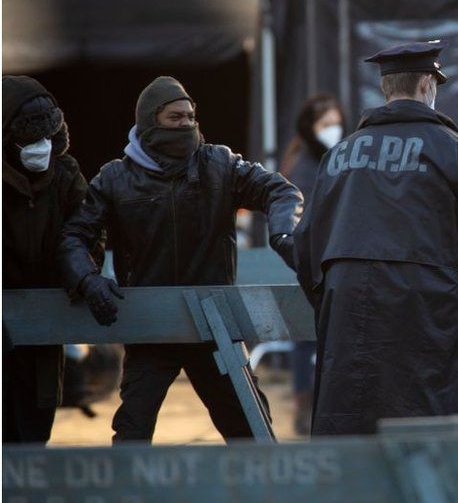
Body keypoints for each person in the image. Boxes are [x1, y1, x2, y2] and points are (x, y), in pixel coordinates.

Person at [294, 41, 458, 435]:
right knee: (427, 424)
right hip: (425, 306)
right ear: (429, 84)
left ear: (386, 88)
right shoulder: (456, 150)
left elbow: (307, 242)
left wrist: (331, 298)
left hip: (348, 305)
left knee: (349, 419)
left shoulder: (339, 155)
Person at [59, 76, 303, 442]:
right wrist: (87, 279)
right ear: (150, 121)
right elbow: (74, 236)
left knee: (251, 431)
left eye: (191, 116)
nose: (187, 124)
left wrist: (283, 232)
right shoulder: (115, 179)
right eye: (176, 117)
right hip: (150, 328)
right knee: (132, 435)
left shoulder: (219, 164)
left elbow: (278, 189)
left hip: (215, 328)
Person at [3, 76, 102, 444]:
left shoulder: (65, 174)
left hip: (45, 320)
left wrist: (83, 276)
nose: (40, 147)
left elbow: (86, 229)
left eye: (46, 135)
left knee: (33, 425)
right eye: (29, 138)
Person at [279, 93, 346, 435]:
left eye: (336, 123)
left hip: (326, 259)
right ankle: (305, 407)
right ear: (310, 128)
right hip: (314, 262)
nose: (333, 130)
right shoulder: (306, 166)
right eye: (326, 125)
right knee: (306, 339)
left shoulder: (334, 158)